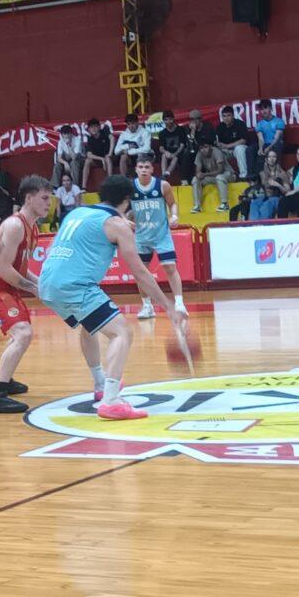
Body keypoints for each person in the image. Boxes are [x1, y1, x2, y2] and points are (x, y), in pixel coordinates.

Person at [38, 175, 188, 420]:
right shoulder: (117, 225)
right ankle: (110, 400)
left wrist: (120, 223)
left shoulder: (77, 213)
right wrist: (169, 308)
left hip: (46, 284)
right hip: (75, 286)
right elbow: (140, 273)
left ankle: (100, 384)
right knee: (122, 332)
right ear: (127, 200)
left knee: (89, 326)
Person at [0, 175, 50, 414]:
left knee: (21, 332)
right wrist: (35, 289)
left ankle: (6, 379)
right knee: (23, 333)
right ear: (29, 199)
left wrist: (42, 284)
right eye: (44, 198)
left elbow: (21, 268)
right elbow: (3, 269)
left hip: (6, 288)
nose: (49, 203)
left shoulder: (32, 227)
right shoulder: (15, 225)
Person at [130, 155, 187, 320]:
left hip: (161, 235)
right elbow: (123, 209)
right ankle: (147, 306)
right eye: (141, 167)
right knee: (141, 272)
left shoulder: (163, 185)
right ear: (136, 169)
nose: (144, 170)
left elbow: (172, 204)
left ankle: (179, 304)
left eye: (147, 167)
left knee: (170, 268)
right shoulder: (130, 187)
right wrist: (125, 220)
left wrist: (174, 216)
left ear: (152, 169)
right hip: (141, 236)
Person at [192, 142, 235, 213]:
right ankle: (197, 206)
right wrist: (198, 174)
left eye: (206, 147)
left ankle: (225, 204)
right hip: (213, 177)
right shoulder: (199, 154)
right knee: (195, 179)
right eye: (201, 148)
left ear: (210, 147)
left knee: (220, 177)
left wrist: (205, 174)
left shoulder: (217, 152)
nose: (203, 150)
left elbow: (220, 171)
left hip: (228, 174)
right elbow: (198, 171)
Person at [215, 106, 252, 179]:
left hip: (238, 149)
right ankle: (229, 176)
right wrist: (218, 144)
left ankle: (244, 176)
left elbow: (243, 140)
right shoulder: (220, 127)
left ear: (233, 115)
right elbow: (217, 141)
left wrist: (227, 146)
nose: (226, 118)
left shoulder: (240, 124)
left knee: (239, 148)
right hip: (226, 151)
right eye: (224, 116)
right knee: (217, 152)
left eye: (228, 115)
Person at [251, 150, 289, 220]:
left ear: (277, 159)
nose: (272, 159)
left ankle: (263, 223)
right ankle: (254, 224)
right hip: (265, 196)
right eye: (270, 157)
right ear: (266, 159)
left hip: (277, 197)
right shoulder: (262, 173)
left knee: (268, 203)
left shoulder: (282, 173)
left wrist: (278, 185)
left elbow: (287, 190)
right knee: (254, 203)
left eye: (274, 157)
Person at [184, 109, 217, 184]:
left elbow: (211, 141)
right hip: (196, 149)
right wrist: (193, 130)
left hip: (207, 148)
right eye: (191, 119)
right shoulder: (188, 128)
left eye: (196, 119)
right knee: (187, 153)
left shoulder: (208, 126)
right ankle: (186, 180)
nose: (194, 121)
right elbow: (190, 144)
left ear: (200, 119)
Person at [156, 111, 189, 182]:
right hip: (168, 153)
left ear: (173, 119)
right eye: (166, 120)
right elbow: (161, 148)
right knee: (164, 155)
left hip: (179, 152)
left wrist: (175, 154)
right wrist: (166, 152)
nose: (168, 121)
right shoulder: (162, 133)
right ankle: (164, 174)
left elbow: (182, 145)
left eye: (170, 119)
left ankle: (167, 173)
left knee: (175, 158)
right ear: (163, 121)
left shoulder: (180, 129)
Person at [82, 118, 113, 189]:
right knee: (87, 161)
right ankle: (84, 187)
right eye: (91, 127)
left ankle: (110, 183)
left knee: (107, 158)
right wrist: (101, 159)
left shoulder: (104, 132)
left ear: (99, 127)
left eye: (95, 126)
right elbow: (89, 154)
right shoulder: (90, 139)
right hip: (99, 160)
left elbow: (112, 139)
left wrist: (110, 153)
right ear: (88, 129)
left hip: (110, 157)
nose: (93, 129)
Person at [52, 124, 85, 188]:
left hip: (79, 160)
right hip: (67, 160)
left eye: (68, 133)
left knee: (73, 163)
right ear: (62, 135)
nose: (66, 135)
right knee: (57, 165)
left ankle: (75, 186)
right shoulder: (60, 142)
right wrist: (65, 163)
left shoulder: (77, 140)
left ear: (71, 133)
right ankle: (55, 186)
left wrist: (68, 145)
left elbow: (74, 157)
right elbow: (59, 158)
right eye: (64, 134)